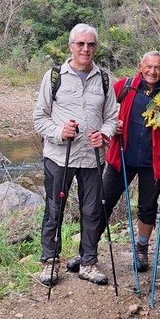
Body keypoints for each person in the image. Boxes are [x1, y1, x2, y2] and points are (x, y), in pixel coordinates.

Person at [68, 51, 160, 272]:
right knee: (103, 203)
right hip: (121, 158)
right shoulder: (125, 86)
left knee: (147, 208)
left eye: (157, 67)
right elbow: (101, 109)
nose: (152, 71)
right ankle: (87, 252)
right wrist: (112, 125)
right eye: (148, 66)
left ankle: (141, 249)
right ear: (140, 66)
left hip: (154, 162)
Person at [33, 23, 118, 287]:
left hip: (92, 157)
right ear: (71, 46)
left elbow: (112, 118)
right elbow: (39, 118)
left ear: (96, 47)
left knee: (92, 211)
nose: (85, 49)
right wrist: (60, 131)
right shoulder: (54, 76)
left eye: (90, 44)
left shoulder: (104, 79)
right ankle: (50, 262)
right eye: (80, 44)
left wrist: (104, 135)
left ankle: (88, 263)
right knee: (54, 209)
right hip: (59, 157)